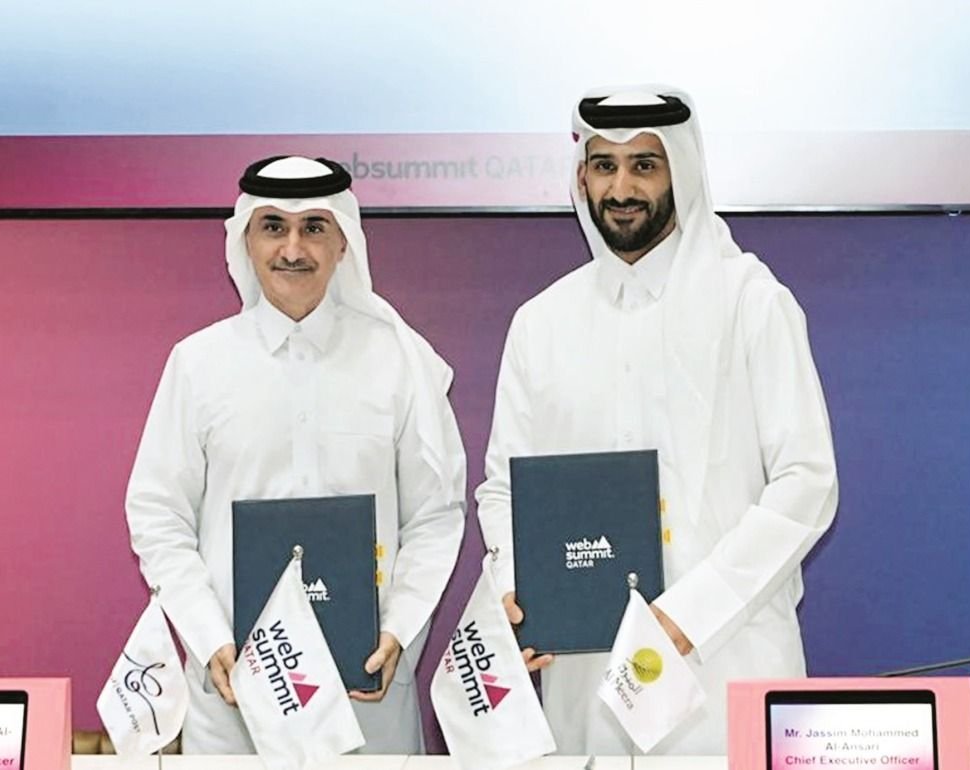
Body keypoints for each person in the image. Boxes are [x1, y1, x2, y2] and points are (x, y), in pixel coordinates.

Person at [475, 86, 839, 754]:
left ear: (682, 172)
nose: (622, 188)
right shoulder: (541, 323)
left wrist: (689, 614)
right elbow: (504, 488)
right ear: (582, 178)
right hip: (586, 670)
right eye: (604, 166)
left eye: (645, 165)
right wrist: (517, 590)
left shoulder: (751, 303)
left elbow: (807, 481)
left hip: (725, 659)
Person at [125, 155, 466, 754]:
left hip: (366, 697)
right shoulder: (198, 364)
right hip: (236, 701)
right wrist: (209, 638)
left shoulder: (399, 361)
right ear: (246, 240)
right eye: (273, 227)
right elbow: (158, 516)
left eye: (313, 227)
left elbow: (435, 517)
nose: (292, 248)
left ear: (343, 241)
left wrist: (398, 629)